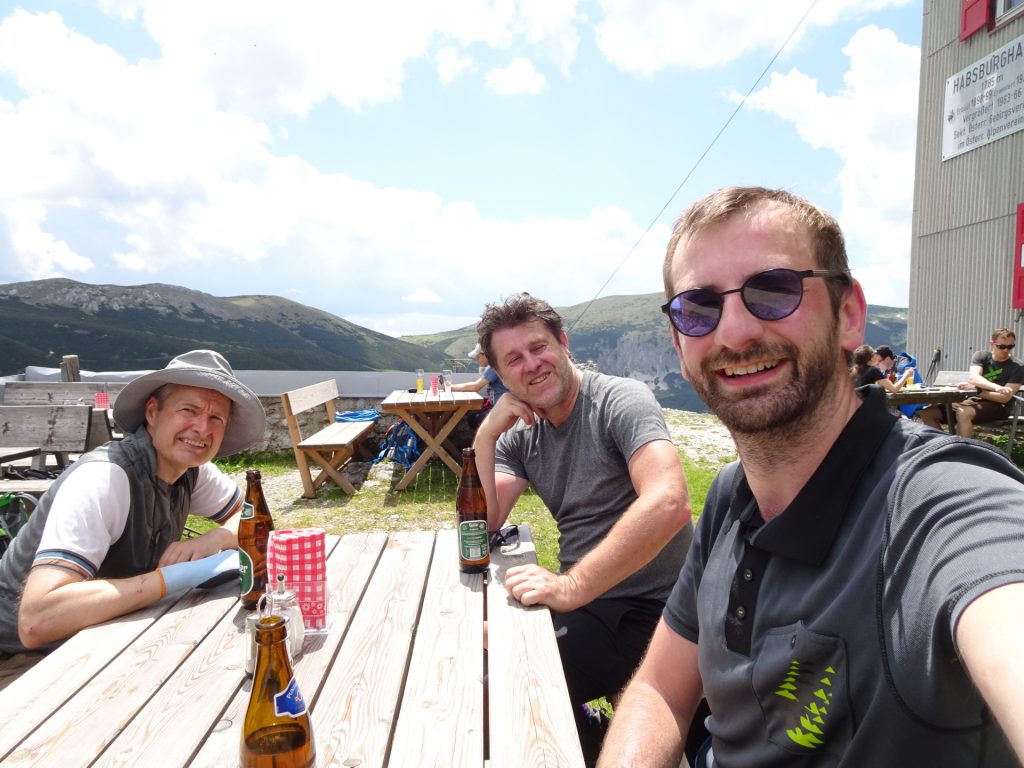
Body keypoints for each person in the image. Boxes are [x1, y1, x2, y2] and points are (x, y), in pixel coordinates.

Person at [599, 187, 1024, 767]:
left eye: (773, 290)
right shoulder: (731, 496)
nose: (734, 333)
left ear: (848, 315)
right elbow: (659, 691)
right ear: (678, 343)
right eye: (698, 309)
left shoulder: (939, 503)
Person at [471, 293, 693, 766]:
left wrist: (572, 585)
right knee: (484, 656)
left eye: (539, 347)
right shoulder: (518, 434)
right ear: (499, 374)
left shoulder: (619, 400)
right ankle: (593, 739)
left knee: (507, 683)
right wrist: (486, 434)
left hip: (658, 610)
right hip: (593, 608)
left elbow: (669, 501)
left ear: (564, 343)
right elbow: (482, 523)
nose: (532, 364)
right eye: (514, 358)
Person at [0, 349, 265, 654]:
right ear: (152, 412)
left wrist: (214, 540)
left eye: (215, 417)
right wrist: (168, 580)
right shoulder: (104, 478)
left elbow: (254, 515)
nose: (202, 428)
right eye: (188, 410)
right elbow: (37, 621)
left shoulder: (193, 471)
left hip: (109, 638)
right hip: (24, 662)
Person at [918, 328, 1024, 438]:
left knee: (963, 412)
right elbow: (974, 378)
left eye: (1010, 347)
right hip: (971, 401)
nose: (1006, 350)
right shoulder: (982, 356)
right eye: (1002, 346)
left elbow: (1004, 398)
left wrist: (979, 391)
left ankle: (962, 451)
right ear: (992, 344)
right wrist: (997, 388)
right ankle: (945, 446)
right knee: (927, 413)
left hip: (999, 407)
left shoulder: (1018, 367)